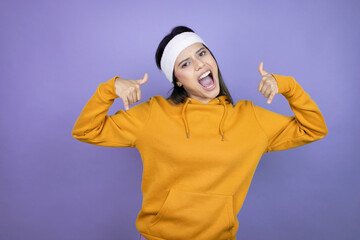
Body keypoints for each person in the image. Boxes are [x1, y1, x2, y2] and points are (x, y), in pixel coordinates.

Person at [72, 26, 328, 240]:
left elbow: (314, 127)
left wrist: (288, 86)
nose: (199, 64)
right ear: (178, 80)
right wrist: (111, 88)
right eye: (185, 63)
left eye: (202, 53)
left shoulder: (250, 119)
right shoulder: (153, 115)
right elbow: (86, 130)